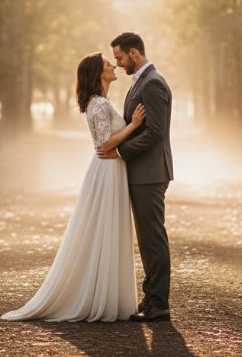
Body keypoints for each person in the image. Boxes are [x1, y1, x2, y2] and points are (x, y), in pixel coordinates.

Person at [1, 53, 145, 322]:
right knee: (103, 228)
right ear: (97, 74)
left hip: (111, 169)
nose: (113, 66)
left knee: (107, 228)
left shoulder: (100, 102)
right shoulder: (99, 104)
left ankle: (107, 293)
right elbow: (104, 144)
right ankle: (98, 295)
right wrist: (134, 126)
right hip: (107, 169)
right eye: (107, 64)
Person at [98, 32, 173, 322]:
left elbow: (155, 132)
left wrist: (121, 152)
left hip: (150, 173)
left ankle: (159, 304)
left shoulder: (153, 83)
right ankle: (151, 296)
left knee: (153, 238)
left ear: (134, 52)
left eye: (119, 57)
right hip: (142, 172)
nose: (117, 63)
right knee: (146, 238)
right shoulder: (140, 81)